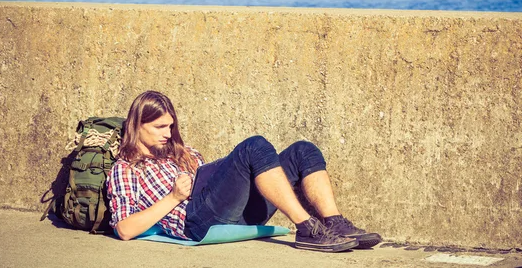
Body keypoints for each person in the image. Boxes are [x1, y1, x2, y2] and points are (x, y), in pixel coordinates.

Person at [107, 91, 381, 252]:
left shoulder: (179, 151)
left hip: (232, 214)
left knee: (302, 150)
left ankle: (333, 222)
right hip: (196, 222)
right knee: (254, 146)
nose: (169, 134)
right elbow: (124, 229)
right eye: (159, 128)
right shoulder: (127, 169)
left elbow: (219, 185)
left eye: (170, 126)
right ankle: (308, 229)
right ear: (137, 125)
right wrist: (174, 197)